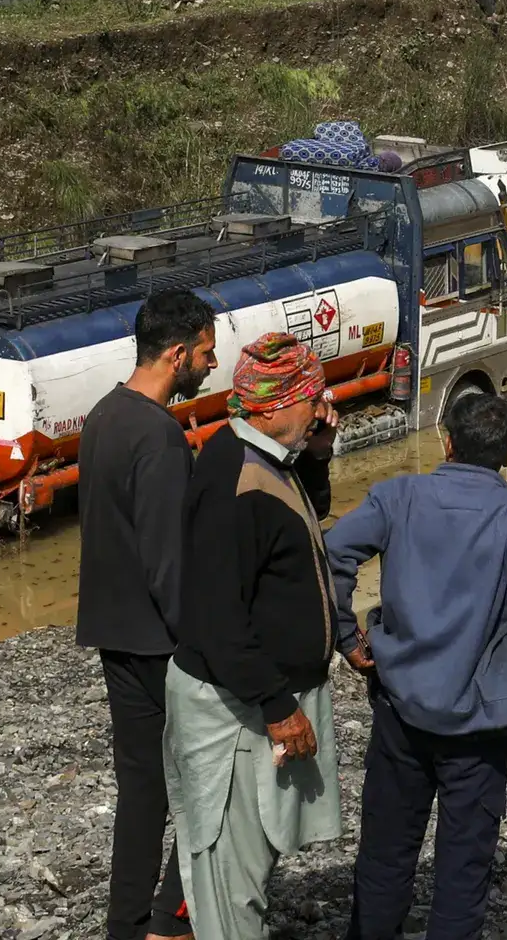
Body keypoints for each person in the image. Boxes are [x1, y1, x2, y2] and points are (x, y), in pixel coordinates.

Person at [327, 391, 507, 940]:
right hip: (479, 721)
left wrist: (346, 637)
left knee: (386, 853)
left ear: (447, 442)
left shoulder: (397, 496)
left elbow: (333, 554)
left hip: (399, 705)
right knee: (463, 868)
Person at [165, 333, 342, 940]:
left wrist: (318, 454)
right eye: (314, 399)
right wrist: (277, 706)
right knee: (229, 878)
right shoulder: (236, 479)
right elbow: (217, 617)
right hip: (232, 709)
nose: (322, 409)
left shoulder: (267, 457)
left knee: (253, 858)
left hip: (257, 698)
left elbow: (300, 526)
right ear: (276, 404)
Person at [77, 288, 219, 940]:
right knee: (207, 785)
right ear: (177, 354)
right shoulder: (159, 437)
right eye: (206, 353)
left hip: (114, 635)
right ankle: (170, 921)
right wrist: (207, 649)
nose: (211, 365)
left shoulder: (103, 416)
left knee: (141, 794)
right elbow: (169, 563)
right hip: (163, 646)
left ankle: (126, 925)